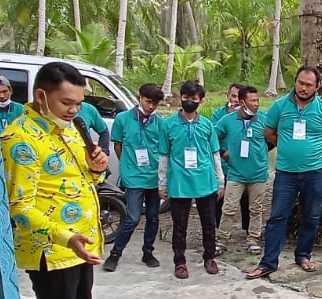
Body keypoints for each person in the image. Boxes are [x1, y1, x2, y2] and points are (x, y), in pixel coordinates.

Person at [1, 61, 116, 299]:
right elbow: (20, 207)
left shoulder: (69, 129)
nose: (74, 110)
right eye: (67, 102)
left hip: (82, 242)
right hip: (51, 247)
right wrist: (65, 237)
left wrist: (97, 169)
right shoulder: (21, 139)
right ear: (41, 95)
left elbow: (81, 181)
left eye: (78, 103)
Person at [247, 66, 322, 279]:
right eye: (300, 82)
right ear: (295, 81)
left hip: (314, 172)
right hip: (285, 174)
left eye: (308, 84)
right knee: (277, 216)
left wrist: (309, 150)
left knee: (311, 215)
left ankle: (303, 255)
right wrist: (287, 147)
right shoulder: (279, 106)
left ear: (317, 87)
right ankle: (268, 262)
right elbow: (269, 132)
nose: (303, 88)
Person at [158, 81, 225, 279]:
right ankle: (180, 262)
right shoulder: (168, 124)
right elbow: (164, 156)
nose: (189, 101)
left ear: (201, 101)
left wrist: (220, 181)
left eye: (194, 98)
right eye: (186, 97)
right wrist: (162, 183)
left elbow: (215, 154)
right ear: (180, 97)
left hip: (206, 182)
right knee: (180, 226)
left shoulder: (207, 125)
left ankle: (209, 257)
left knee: (209, 224)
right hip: (180, 182)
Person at [103, 83, 166, 272]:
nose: (151, 106)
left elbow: (162, 150)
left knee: (153, 217)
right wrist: (127, 166)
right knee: (132, 217)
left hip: (153, 177)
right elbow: (118, 145)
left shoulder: (160, 122)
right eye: (148, 101)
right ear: (139, 98)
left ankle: (148, 252)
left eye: (155, 103)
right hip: (133, 177)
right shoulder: (122, 119)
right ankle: (115, 253)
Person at [216, 85, 270, 253]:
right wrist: (223, 152)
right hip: (235, 173)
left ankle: (253, 239)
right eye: (252, 101)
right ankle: (222, 239)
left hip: (258, 174)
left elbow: (273, 138)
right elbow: (212, 137)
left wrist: (260, 154)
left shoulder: (264, 119)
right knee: (228, 208)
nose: (256, 104)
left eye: (257, 100)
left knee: (256, 209)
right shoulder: (227, 120)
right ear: (242, 103)